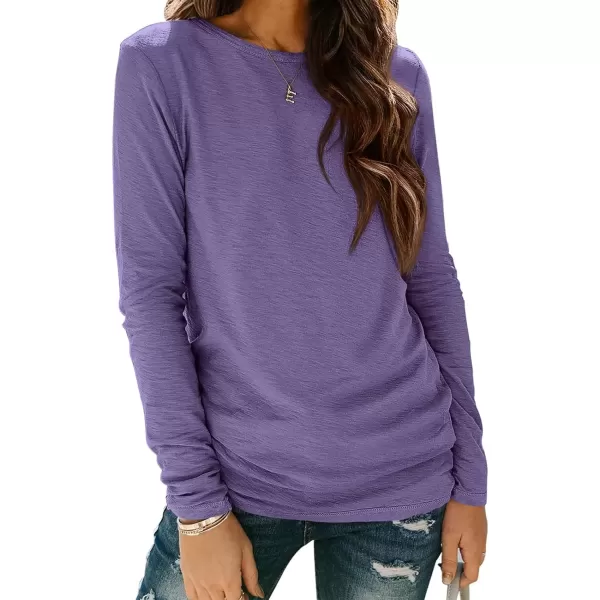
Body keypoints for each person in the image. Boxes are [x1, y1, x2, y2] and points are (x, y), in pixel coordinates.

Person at [112, 0, 488, 598]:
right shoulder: (163, 64)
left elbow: (431, 278)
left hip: (401, 474)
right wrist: (198, 507)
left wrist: (470, 481)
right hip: (238, 479)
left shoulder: (395, 75)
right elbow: (151, 293)